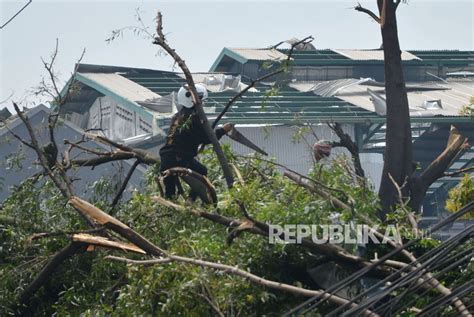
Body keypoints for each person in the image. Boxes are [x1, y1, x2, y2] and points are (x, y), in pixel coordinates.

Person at [159, 83, 233, 200]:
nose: (202, 104)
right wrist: (222, 130)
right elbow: (208, 138)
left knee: (170, 194)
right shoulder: (194, 118)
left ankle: (172, 208)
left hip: (166, 157)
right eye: (200, 100)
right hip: (180, 159)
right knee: (202, 171)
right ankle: (190, 200)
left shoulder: (178, 116)